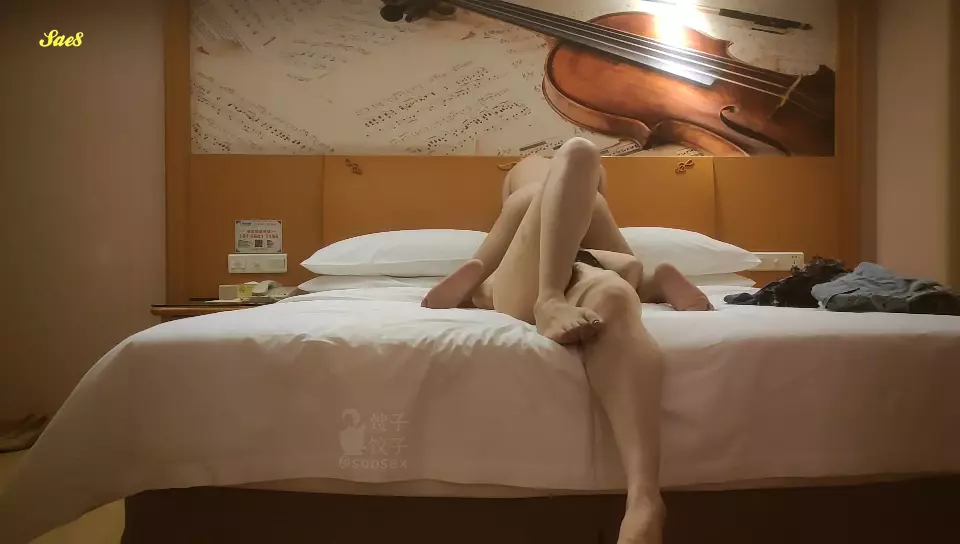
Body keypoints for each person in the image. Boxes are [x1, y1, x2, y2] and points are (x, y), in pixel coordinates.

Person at [421, 137, 713, 544]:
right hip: (599, 263)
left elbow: (482, 260)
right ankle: (643, 497)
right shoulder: (593, 202)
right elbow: (609, 235)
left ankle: (535, 295)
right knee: (615, 289)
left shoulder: (522, 193)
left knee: (600, 289)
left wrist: (476, 281)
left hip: (540, 274)